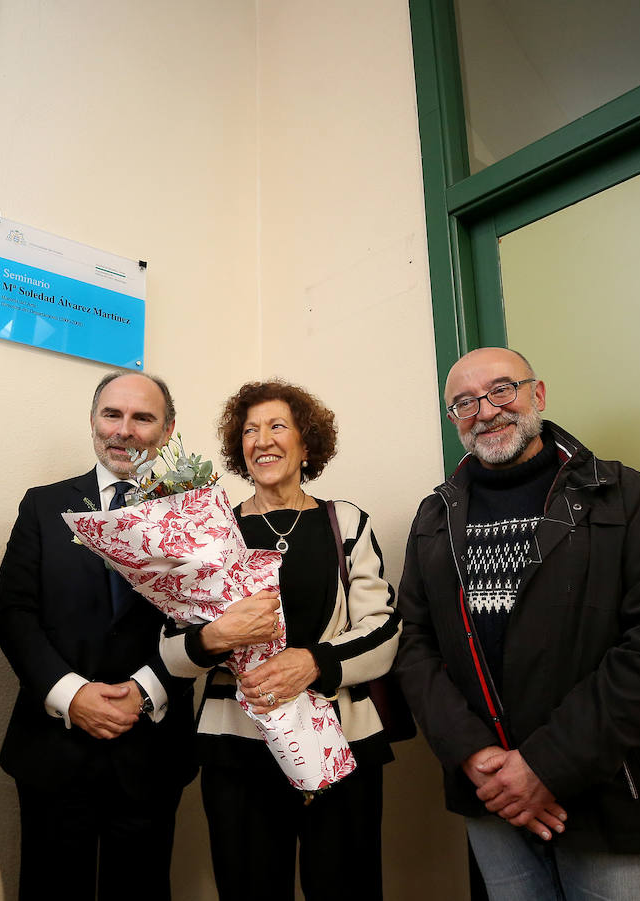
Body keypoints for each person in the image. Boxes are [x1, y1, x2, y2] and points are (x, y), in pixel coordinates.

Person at [394, 346, 640, 900]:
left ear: (537, 394)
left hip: (609, 791)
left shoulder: (618, 493)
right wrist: (475, 755)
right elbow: (414, 644)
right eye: (464, 402)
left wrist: (545, 763)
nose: (485, 411)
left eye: (501, 390)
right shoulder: (434, 515)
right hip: (490, 799)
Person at [159, 379, 401, 901]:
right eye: (249, 430)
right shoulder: (210, 533)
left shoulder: (346, 523)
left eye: (276, 426)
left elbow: (383, 631)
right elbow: (170, 650)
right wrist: (217, 637)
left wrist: (313, 663)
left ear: (306, 444)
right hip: (236, 751)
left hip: (343, 745)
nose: (261, 439)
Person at [0, 370, 197, 901]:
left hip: (150, 747)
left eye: (142, 417)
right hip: (52, 747)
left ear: (169, 429)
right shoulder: (42, 506)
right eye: (112, 414)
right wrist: (72, 695)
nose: (124, 430)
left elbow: (204, 627)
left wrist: (145, 692)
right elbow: (14, 612)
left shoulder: (195, 516)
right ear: (93, 422)